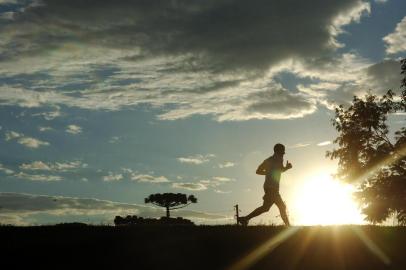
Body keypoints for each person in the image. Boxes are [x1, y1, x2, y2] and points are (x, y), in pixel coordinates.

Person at [238, 143, 292, 226]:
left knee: (265, 208)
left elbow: (276, 171)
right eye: (282, 151)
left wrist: (285, 168)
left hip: (270, 187)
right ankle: (288, 227)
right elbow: (259, 171)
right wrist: (284, 169)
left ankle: (245, 219)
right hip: (271, 188)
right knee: (282, 207)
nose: (283, 153)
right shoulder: (275, 159)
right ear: (278, 151)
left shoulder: (273, 159)